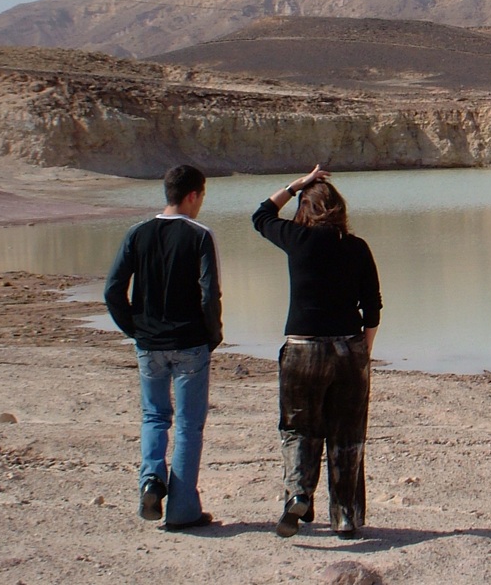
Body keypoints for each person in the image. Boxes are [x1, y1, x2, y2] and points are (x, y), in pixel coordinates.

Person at [252, 165, 381, 539]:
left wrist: (297, 184)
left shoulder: (296, 238)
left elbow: (260, 215)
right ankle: (345, 517)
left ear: (306, 209)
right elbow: (372, 306)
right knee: (347, 435)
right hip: (348, 348)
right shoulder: (357, 248)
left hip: (302, 348)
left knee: (298, 429)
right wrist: (363, 352)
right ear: (340, 209)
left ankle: (298, 494)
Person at [104, 164, 222, 531]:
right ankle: (183, 509)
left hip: (149, 343)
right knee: (188, 425)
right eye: (201, 197)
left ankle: (151, 480)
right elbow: (209, 294)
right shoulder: (200, 235)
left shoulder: (137, 233)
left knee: (154, 416)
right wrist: (212, 334)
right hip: (189, 343)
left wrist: (136, 329)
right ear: (192, 195)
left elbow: (112, 290)